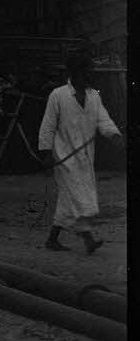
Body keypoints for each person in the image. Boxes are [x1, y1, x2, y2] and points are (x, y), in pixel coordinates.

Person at [37, 52, 122, 253]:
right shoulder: (58, 95)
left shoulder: (94, 97)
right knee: (77, 195)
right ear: (75, 73)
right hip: (63, 155)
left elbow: (103, 120)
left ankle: (52, 239)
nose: (91, 75)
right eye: (87, 71)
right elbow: (48, 126)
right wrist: (46, 152)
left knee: (70, 197)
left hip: (85, 157)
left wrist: (114, 135)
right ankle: (88, 238)